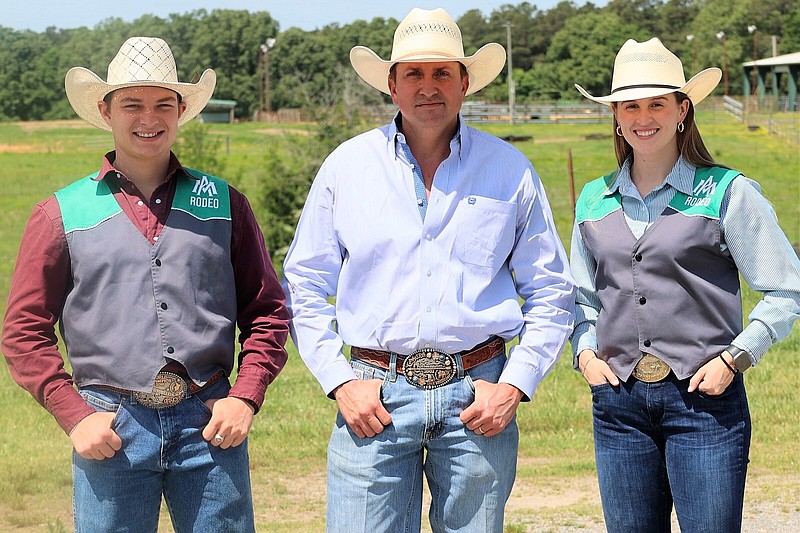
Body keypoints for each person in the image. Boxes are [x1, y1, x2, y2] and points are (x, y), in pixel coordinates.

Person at [282, 7, 575, 532]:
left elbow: (552, 292)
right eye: (413, 73)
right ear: (391, 85)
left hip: (477, 394)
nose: (428, 87)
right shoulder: (347, 168)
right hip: (373, 393)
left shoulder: (509, 170)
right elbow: (304, 285)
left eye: (443, 73)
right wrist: (339, 381)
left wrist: (514, 385)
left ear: (466, 83)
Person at [1, 37, 289, 532]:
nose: (147, 118)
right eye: (131, 104)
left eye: (162, 104)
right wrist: (73, 415)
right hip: (109, 428)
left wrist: (245, 396)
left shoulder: (224, 203)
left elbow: (267, 311)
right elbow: (23, 330)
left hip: (210, 423)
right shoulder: (60, 212)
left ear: (181, 111)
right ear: (106, 110)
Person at [570, 37, 800, 532]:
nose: (643, 116)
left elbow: (786, 289)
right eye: (630, 105)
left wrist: (735, 359)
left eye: (658, 102)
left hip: (705, 405)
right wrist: (585, 354)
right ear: (615, 114)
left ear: (682, 110)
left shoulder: (727, 192)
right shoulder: (593, 200)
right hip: (618, 408)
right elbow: (581, 299)